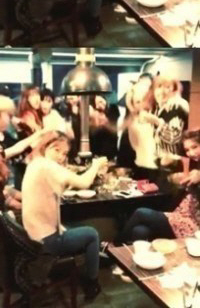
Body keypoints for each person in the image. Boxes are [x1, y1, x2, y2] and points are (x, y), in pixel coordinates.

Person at [22, 131, 108, 301]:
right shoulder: (47, 166)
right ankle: (92, 283)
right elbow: (84, 182)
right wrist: (96, 165)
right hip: (46, 242)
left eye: (64, 153)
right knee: (92, 234)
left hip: (31, 237)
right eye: (56, 150)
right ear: (45, 147)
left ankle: (87, 264)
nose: (61, 157)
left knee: (73, 225)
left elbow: (57, 188)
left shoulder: (35, 164)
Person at [120, 129, 200, 242]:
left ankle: (114, 245)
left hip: (192, 223)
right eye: (187, 150)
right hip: (180, 215)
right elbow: (166, 185)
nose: (191, 153)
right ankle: (129, 252)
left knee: (140, 212)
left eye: (195, 147)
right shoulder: (193, 165)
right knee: (140, 231)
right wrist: (168, 171)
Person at [89, 95, 119, 160]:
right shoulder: (93, 114)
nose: (100, 104)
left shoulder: (112, 111)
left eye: (101, 101)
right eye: (98, 103)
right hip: (96, 151)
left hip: (110, 151)